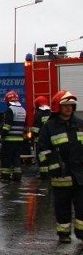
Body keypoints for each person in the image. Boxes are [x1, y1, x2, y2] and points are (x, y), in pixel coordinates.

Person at [36, 90, 83, 243]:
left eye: (71, 105)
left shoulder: (80, 124)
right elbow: (42, 149)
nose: (69, 108)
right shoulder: (50, 127)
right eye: (65, 105)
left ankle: (81, 233)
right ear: (58, 107)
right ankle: (63, 234)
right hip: (61, 174)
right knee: (62, 205)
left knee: (82, 205)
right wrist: (53, 165)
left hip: (80, 174)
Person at [0, 90, 26, 181]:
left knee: (6, 158)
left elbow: (7, 126)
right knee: (16, 158)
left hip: (9, 139)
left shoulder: (10, 110)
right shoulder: (23, 110)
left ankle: (5, 176)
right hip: (19, 139)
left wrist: (1, 136)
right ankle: (17, 176)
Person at [30, 95, 52, 179]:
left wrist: (32, 137)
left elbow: (35, 129)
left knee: (41, 157)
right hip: (50, 140)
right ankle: (49, 173)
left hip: (40, 140)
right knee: (49, 156)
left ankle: (43, 174)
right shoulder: (51, 113)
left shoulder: (39, 114)